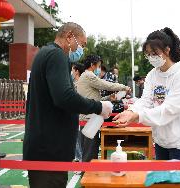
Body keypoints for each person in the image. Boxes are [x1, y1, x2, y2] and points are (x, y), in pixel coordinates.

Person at [23, 22, 113, 188]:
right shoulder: (57, 55)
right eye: (82, 45)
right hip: (49, 150)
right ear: (70, 36)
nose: (82, 50)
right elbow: (64, 96)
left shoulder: (45, 53)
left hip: (44, 147)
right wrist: (98, 107)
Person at [113, 27, 180, 161]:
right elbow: (146, 100)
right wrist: (131, 110)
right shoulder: (153, 74)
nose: (151, 57)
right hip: (160, 140)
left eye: (154, 53)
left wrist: (137, 116)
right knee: (161, 181)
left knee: (176, 182)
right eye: (148, 54)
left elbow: (170, 109)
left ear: (167, 50)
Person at [76, 55, 130, 162]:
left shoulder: (85, 76)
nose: (99, 69)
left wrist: (109, 98)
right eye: (99, 66)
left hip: (89, 119)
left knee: (90, 151)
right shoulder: (88, 75)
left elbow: (97, 99)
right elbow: (106, 85)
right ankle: (87, 176)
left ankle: (87, 175)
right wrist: (123, 87)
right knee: (90, 154)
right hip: (89, 120)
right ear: (92, 65)